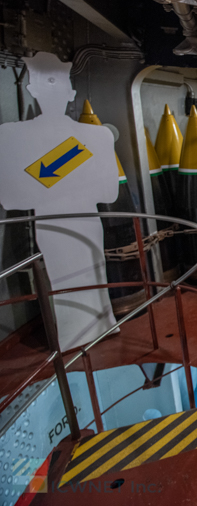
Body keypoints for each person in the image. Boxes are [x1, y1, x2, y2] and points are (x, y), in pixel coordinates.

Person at [0, 52, 118, 351]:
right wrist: (68, 170)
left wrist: (48, 179)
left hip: (56, 222)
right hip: (70, 223)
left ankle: (89, 330)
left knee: (81, 277)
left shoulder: (13, 136)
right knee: (71, 280)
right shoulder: (96, 137)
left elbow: (15, 196)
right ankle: (78, 333)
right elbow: (107, 193)